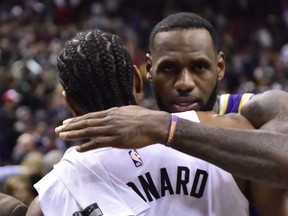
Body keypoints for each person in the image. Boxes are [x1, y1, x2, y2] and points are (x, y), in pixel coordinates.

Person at [54, 12, 288, 215]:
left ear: (219, 67)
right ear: (149, 70)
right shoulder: (140, 136)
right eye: (169, 68)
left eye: (199, 67)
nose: (184, 83)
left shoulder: (258, 108)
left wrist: (167, 127)